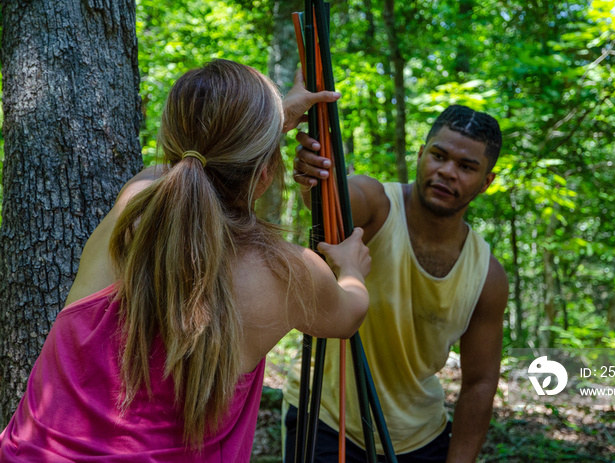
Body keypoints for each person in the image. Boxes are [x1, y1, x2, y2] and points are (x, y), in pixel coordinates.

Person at [0, 59, 372, 463]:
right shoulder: (285, 272)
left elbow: (191, 165)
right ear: (264, 176)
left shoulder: (134, 202)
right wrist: (351, 268)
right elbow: (349, 314)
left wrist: (267, 123)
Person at [283, 105, 509, 463]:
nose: (447, 172)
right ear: (421, 155)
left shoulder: (487, 276)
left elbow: (480, 383)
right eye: (438, 156)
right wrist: (315, 177)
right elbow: (333, 204)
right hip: (328, 419)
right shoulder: (377, 205)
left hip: (420, 436)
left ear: (486, 182)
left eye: (466, 167)